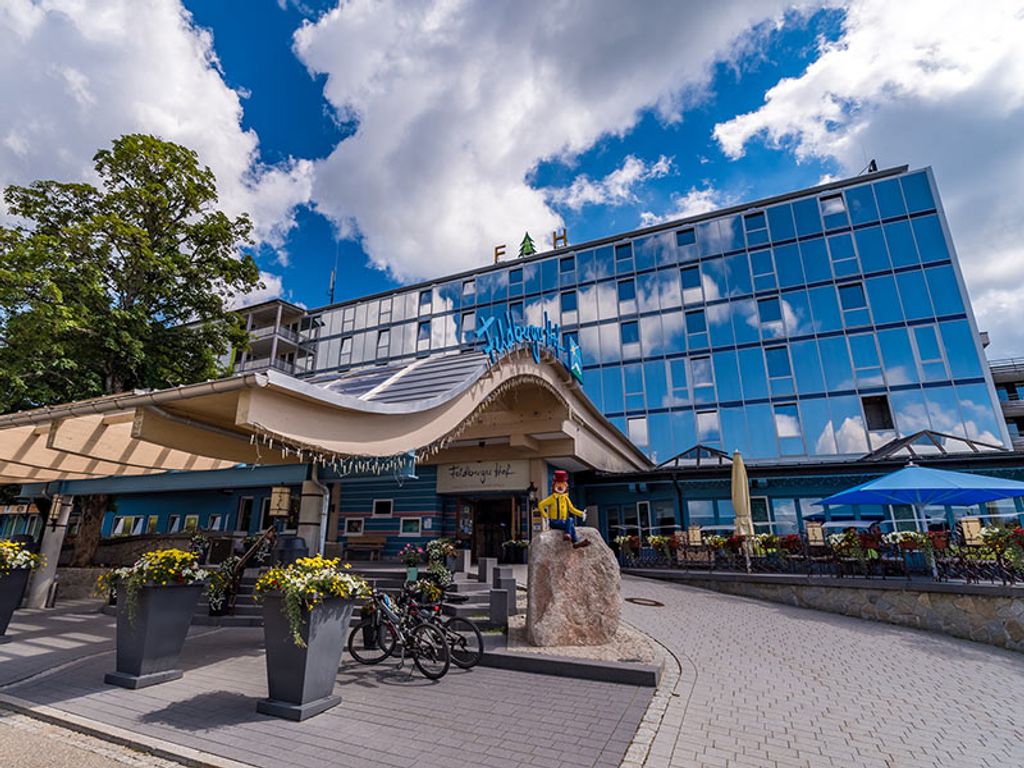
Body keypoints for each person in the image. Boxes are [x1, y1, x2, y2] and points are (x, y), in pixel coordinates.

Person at [538, 470, 589, 549]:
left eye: (562, 485)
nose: (560, 487)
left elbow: (571, 509)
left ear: (566, 487)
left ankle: (575, 542)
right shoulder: (552, 498)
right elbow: (541, 505)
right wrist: (546, 516)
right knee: (570, 520)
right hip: (554, 522)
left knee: (570, 523)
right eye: (558, 484)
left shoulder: (566, 498)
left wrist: (581, 514)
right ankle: (570, 537)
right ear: (554, 486)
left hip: (563, 522)